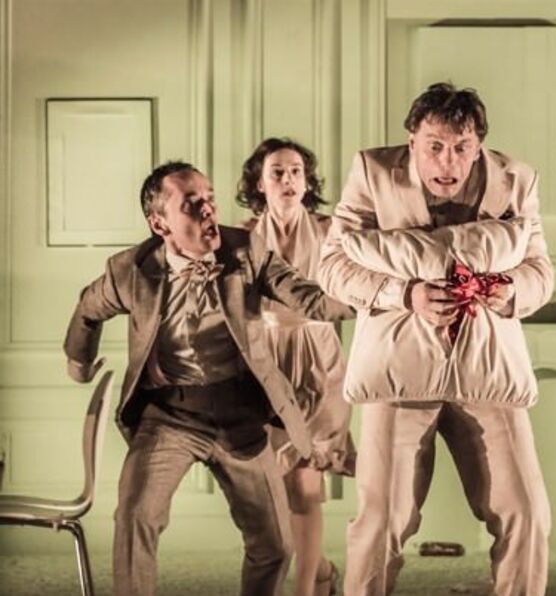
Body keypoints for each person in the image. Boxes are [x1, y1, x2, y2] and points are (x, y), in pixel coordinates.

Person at [63, 161, 352, 596]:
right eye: (191, 203)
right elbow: (89, 307)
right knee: (135, 517)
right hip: (170, 416)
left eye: (210, 198)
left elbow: (309, 298)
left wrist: (386, 298)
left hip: (240, 415)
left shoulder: (247, 251)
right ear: (160, 223)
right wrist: (79, 362)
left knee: (275, 545)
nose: (208, 210)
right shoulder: (131, 270)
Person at [319, 82, 554, 596]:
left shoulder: (517, 180)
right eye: (435, 147)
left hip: (487, 372)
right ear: (412, 140)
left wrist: (510, 291)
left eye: (462, 148)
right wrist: (405, 294)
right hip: (399, 374)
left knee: (529, 513)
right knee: (382, 520)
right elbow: (332, 266)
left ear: (479, 145)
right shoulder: (372, 172)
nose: (448, 162)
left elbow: (540, 271)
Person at [237, 138, 356, 596]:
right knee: (276, 486)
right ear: (259, 183)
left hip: (318, 358)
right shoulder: (243, 236)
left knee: (305, 482)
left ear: (307, 182)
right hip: (265, 359)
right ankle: (321, 569)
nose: (288, 179)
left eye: (296, 172)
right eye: (277, 172)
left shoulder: (331, 231)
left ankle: (306, 589)